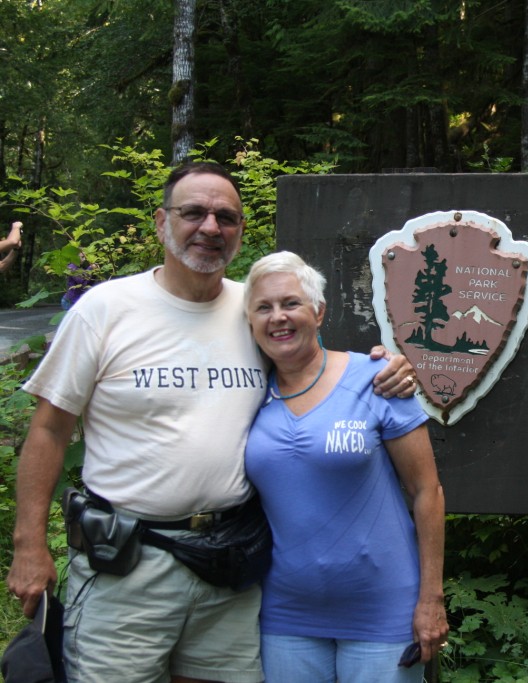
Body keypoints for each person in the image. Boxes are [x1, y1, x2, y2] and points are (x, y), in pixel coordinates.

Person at [6, 162, 415, 683]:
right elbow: (48, 430)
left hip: (230, 570)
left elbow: (315, 369)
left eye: (226, 216)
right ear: (161, 222)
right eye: (193, 212)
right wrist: (29, 546)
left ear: (241, 232)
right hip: (128, 564)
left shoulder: (255, 310)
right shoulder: (105, 309)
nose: (210, 227)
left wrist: (387, 365)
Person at [243, 251, 448, 683]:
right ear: (250, 321)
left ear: (318, 312)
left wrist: (431, 598)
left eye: (291, 303)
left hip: (382, 612)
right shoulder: (245, 394)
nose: (278, 317)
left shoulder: (376, 379)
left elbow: (426, 491)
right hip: (285, 615)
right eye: (264, 307)